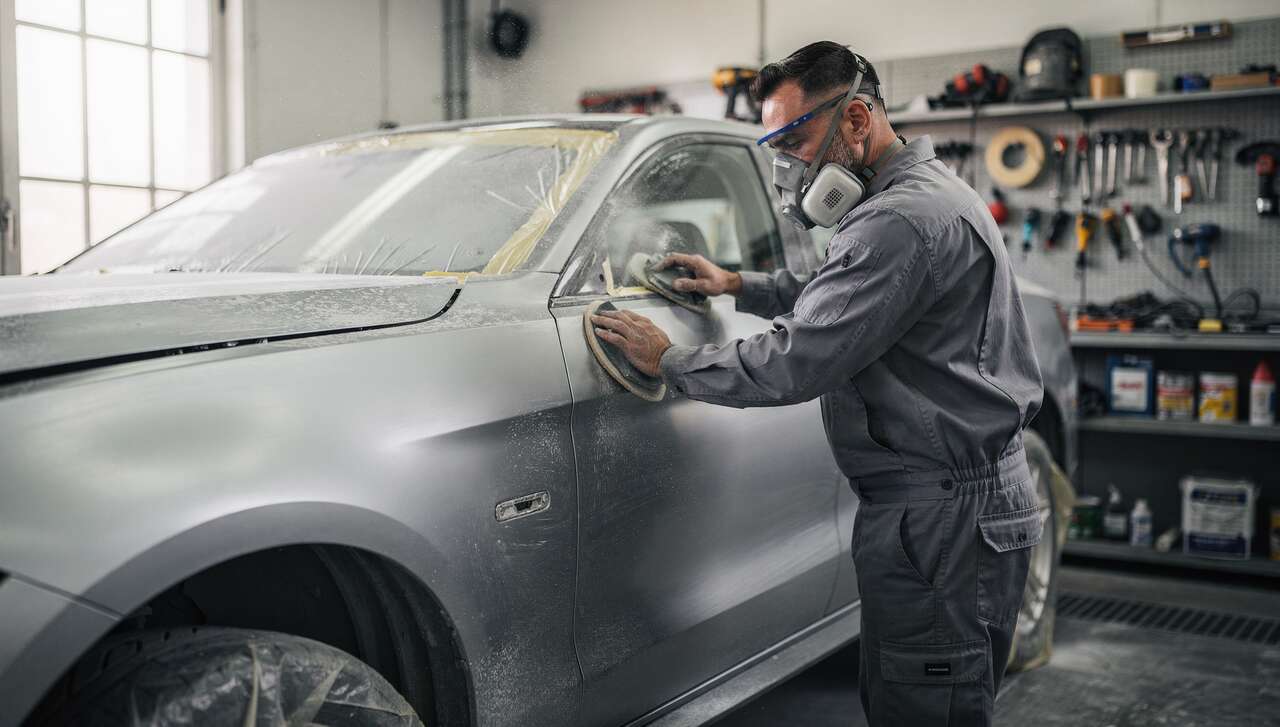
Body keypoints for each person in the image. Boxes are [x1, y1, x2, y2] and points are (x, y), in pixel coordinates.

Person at [590, 41, 1045, 726]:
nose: (788, 165)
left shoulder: (896, 221)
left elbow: (802, 359)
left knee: (927, 709)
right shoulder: (924, 198)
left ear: (857, 120)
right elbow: (854, 297)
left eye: (796, 139)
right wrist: (739, 284)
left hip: (938, 520)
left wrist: (671, 360)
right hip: (965, 505)